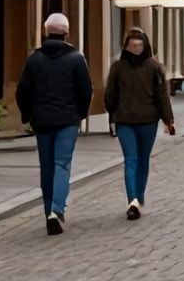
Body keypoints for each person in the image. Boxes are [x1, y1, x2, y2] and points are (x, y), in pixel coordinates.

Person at [14, 12, 93, 235]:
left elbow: (22, 91)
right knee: (61, 164)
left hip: (41, 120)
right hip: (67, 120)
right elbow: (86, 90)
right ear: (67, 33)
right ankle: (56, 210)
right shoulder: (76, 58)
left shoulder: (34, 58)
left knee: (46, 166)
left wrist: (27, 115)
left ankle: (48, 209)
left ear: (46, 31)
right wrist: (80, 114)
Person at [104, 27, 175, 221]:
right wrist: (168, 120)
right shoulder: (155, 67)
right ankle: (137, 197)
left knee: (131, 159)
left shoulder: (118, 67)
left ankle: (133, 199)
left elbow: (110, 95)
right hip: (147, 121)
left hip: (125, 120)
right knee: (141, 159)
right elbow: (162, 96)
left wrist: (113, 113)